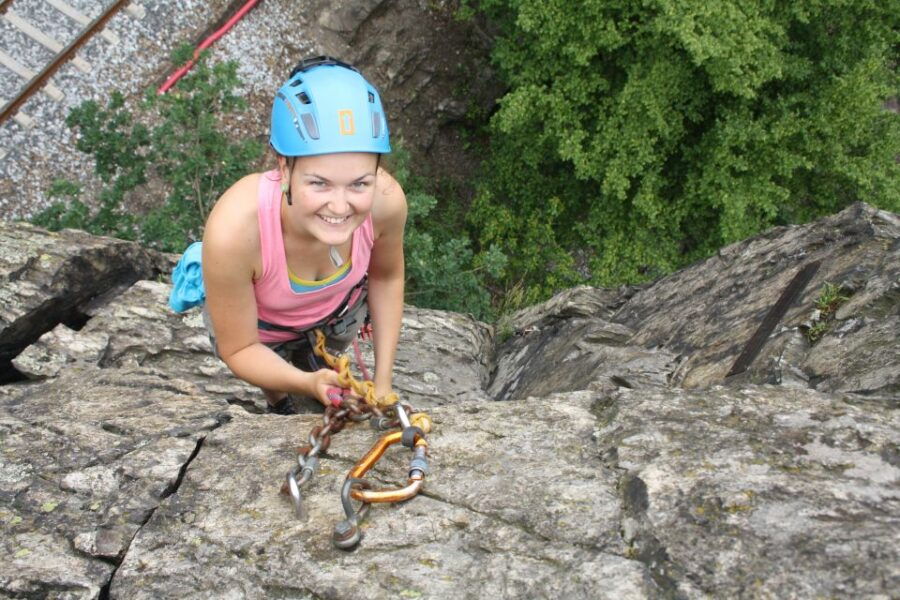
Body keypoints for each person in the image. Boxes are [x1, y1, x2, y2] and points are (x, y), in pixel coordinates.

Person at [198, 56, 406, 414]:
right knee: (278, 381)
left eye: (359, 183)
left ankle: (305, 371)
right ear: (284, 167)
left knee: (320, 360)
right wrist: (306, 384)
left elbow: (386, 277)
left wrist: (383, 383)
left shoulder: (385, 203)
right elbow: (241, 347)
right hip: (260, 331)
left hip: (336, 314)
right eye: (319, 183)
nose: (339, 207)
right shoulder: (236, 231)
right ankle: (278, 399)